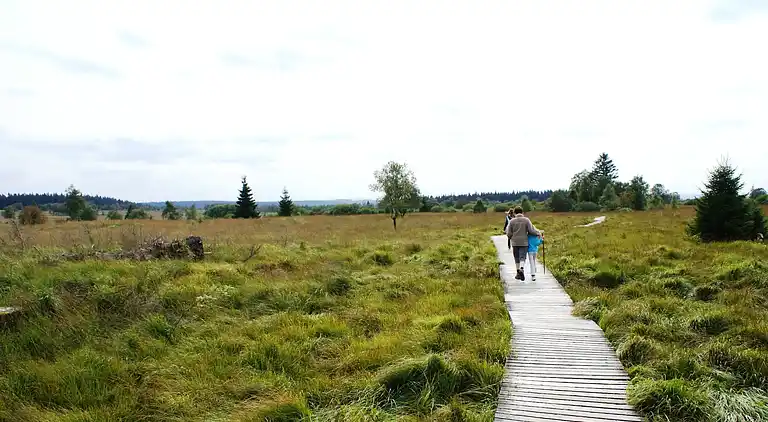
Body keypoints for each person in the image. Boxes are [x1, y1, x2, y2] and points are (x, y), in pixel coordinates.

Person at [504, 206, 541, 281]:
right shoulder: (526, 220)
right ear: (522, 212)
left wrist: (510, 237)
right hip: (524, 242)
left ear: (514, 213)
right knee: (522, 257)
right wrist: (538, 233)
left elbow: (509, 233)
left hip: (515, 242)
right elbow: (531, 230)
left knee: (516, 257)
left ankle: (518, 273)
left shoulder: (512, 221)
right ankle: (521, 268)